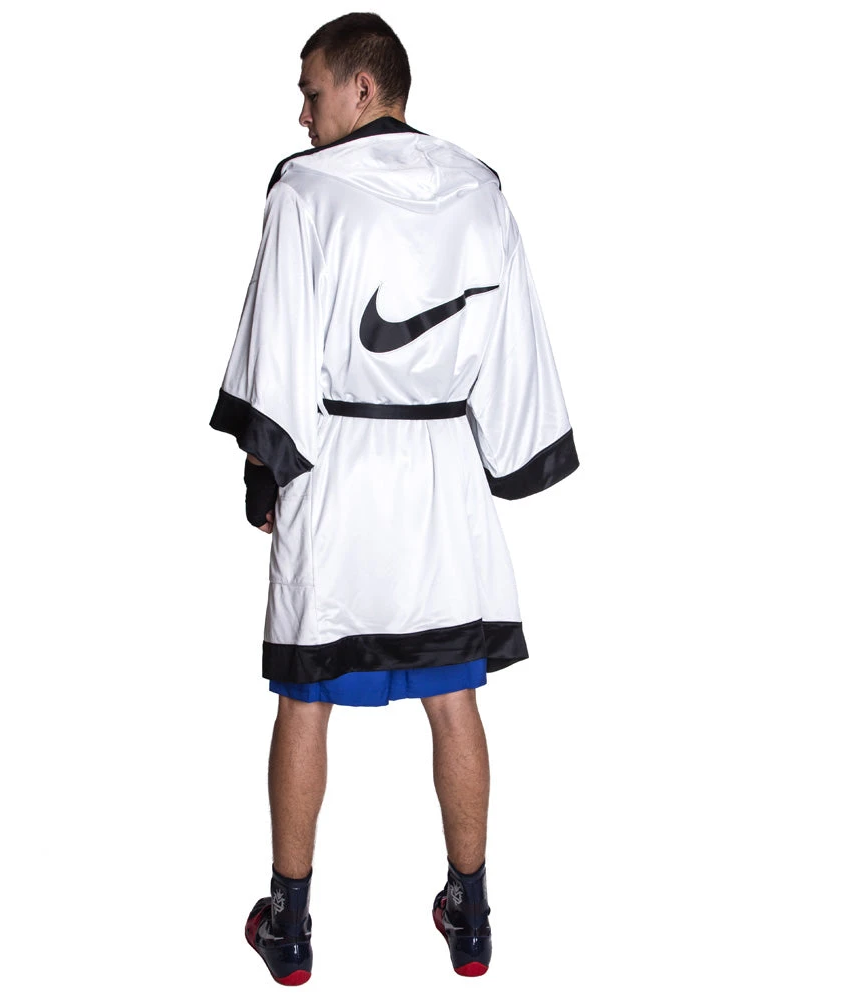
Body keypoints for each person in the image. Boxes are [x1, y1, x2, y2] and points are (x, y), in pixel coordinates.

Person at [210, 13, 580, 985]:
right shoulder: (480, 188)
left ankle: (289, 926)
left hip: (336, 469)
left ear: (362, 87)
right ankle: (472, 917)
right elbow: (515, 339)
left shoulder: (306, 190)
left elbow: (280, 334)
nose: (302, 115)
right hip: (442, 480)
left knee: (304, 698)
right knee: (455, 697)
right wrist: (512, 454)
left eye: (311, 92)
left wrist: (262, 468)